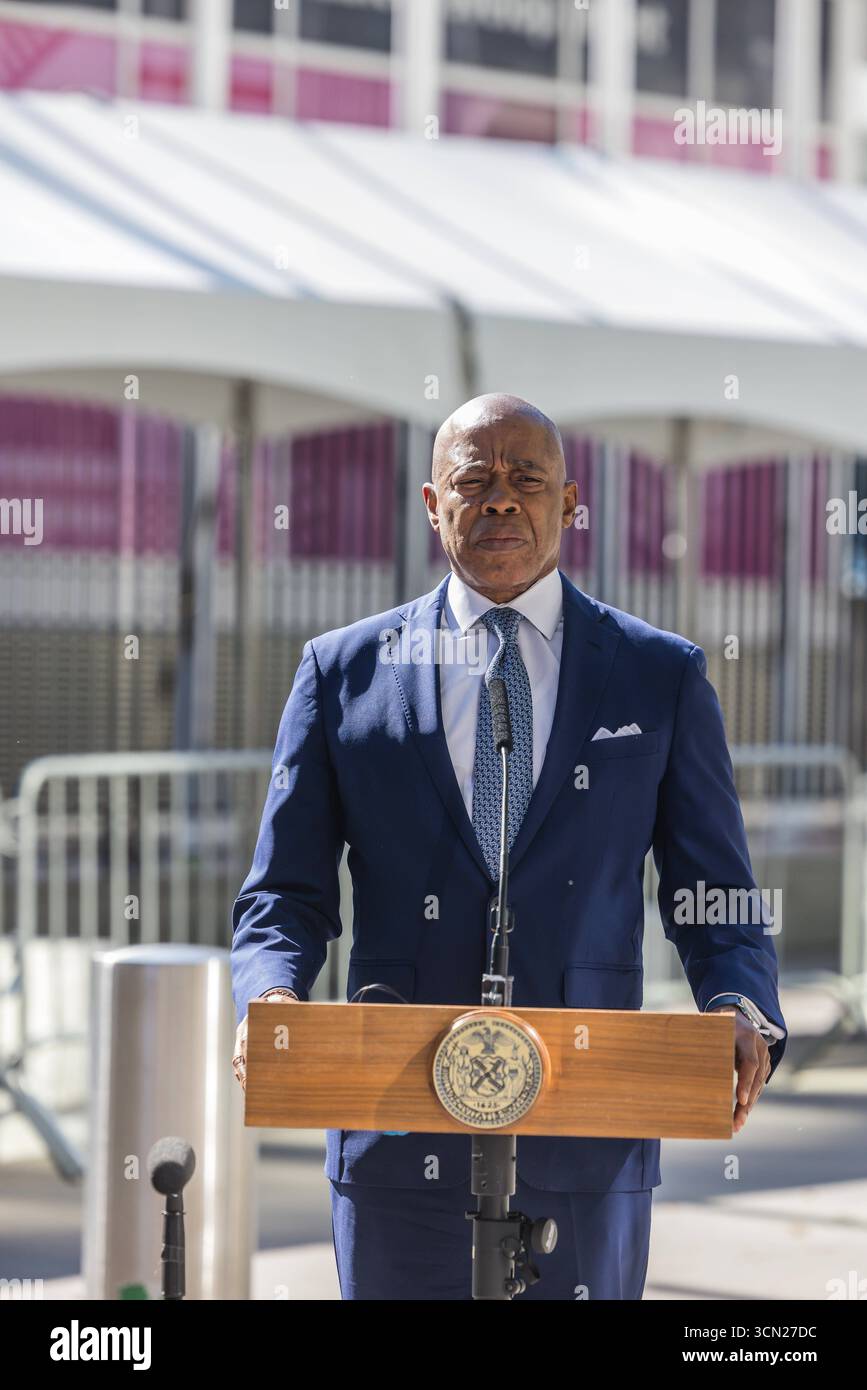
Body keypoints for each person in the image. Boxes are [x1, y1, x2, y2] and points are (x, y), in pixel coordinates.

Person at [231, 393, 786, 1300]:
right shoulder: (342, 673)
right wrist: (270, 994)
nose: (499, 500)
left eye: (526, 480)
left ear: (570, 502)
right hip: (394, 1134)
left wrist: (739, 1004)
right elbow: (282, 895)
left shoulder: (659, 673)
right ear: (429, 503)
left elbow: (713, 890)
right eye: (472, 480)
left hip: (587, 1134)